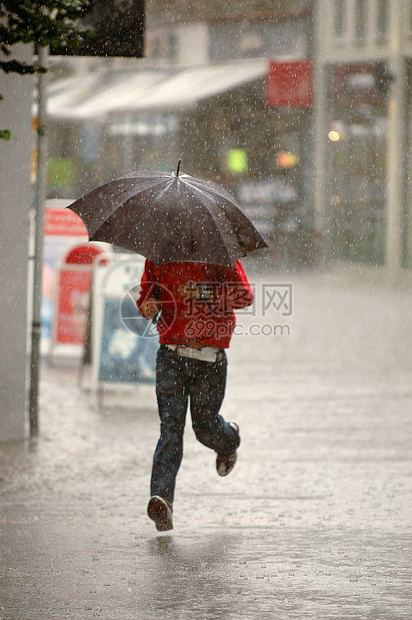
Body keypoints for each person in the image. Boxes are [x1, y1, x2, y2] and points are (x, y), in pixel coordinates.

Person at [136, 259, 254, 531]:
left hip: (209, 360)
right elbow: (146, 298)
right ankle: (162, 501)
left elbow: (244, 296)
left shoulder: (218, 255)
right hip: (170, 357)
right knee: (171, 429)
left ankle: (228, 440)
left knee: (204, 428)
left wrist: (204, 293)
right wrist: (147, 306)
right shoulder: (158, 256)